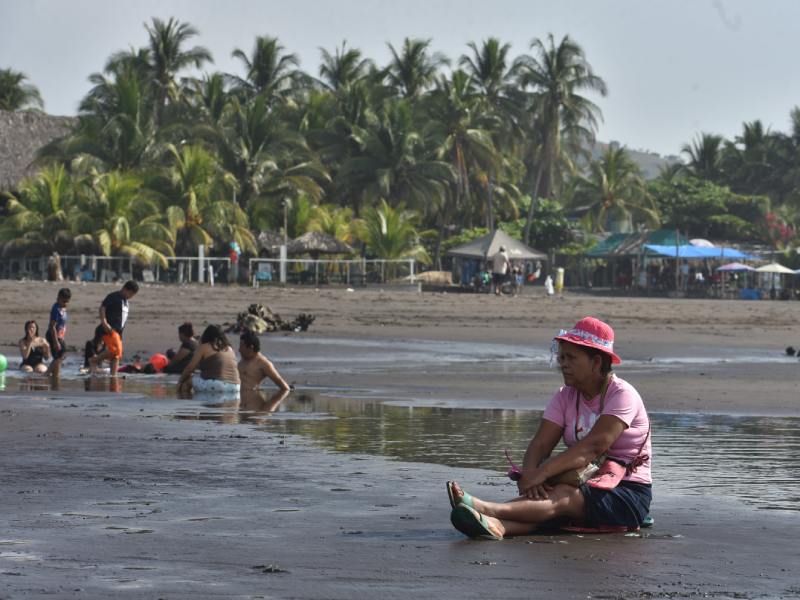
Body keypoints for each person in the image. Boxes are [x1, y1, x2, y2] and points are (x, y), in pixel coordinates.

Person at [447, 317, 651, 540]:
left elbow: (592, 447)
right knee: (550, 495)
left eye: (571, 358)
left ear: (596, 362)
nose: (563, 363)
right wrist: (531, 476)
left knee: (563, 495)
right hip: (583, 481)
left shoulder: (622, 395)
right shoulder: (565, 395)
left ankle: (487, 509)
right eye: (562, 357)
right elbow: (541, 444)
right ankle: (497, 525)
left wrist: (541, 474)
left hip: (627, 493)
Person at [90, 280, 139, 376]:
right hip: (109, 329)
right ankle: (94, 360)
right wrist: (104, 322)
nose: (130, 296)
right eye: (130, 294)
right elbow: (102, 308)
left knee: (116, 356)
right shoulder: (113, 296)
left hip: (119, 332)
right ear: (125, 289)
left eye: (132, 295)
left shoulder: (126, 302)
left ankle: (113, 376)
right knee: (115, 350)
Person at [178, 324, 240, 397]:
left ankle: (185, 402)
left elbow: (190, 368)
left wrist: (180, 381)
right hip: (235, 387)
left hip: (216, 386)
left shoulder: (204, 347)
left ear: (206, 335)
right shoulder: (229, 349)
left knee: (187, 383)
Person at [46, 287, 71, 376]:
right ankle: (46, 375)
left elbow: (62, 324)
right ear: (59, 298)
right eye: (63, 301)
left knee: (59, 356)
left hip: (60, 336)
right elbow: (52, 326)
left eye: (67, 302)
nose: (65, 304)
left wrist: (62, 336)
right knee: (59, 356)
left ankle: (56, 376)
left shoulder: (63, 308)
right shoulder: (56, 309)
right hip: (53, 335)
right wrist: (56, 342)